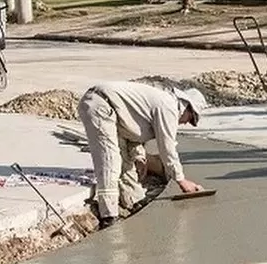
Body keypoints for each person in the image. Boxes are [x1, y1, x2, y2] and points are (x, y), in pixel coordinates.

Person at [77, 81, 207, 229]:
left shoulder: (163, 104)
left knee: (126, 162)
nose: (185, 123)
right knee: (110, 163)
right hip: (100, 105)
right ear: (187, 108)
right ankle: (109, 217)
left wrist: (139, 157)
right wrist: (181, 180)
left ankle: (134, 200)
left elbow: (133, 132)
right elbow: (167, 147)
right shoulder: (168, 107)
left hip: (111, 111)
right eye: (190, 119)